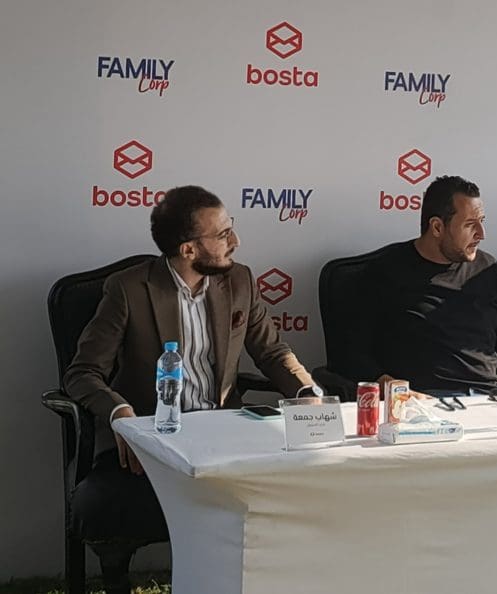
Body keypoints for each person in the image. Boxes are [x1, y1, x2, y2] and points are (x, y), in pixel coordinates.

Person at [64, 185, 318, 582]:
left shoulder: (240, 281)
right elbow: (82, 373)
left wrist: (306, 392)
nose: (236, 241)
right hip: (154, 442)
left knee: (301, 484)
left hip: (226, 436)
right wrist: (120, 413)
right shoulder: (129, 290)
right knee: (101, 503)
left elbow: (272, 352)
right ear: (188, 250)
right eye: (223, 234)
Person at [346, 175, 497, 396]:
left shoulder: (488, 269)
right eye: (470, 224)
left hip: (487, 397)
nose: (481, 234)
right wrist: (398, 392)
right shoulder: (386, 271)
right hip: (418, 400)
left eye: (482, 221)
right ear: (437, 227)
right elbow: (353, 353)